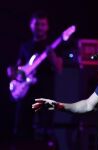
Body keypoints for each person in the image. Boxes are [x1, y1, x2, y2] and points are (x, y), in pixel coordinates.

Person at [8, 11, 63, 140]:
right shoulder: (25, 46)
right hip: (26, 93)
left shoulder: (52, 46)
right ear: (31, 25)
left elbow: (59, 68)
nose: (39, 27)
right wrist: (12, 73)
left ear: (47, 26)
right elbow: (19, 68)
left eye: (43, 24)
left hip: (45, 92)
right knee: (22, 131)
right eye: (37, 24)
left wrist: (52, 56)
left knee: (45, 131)